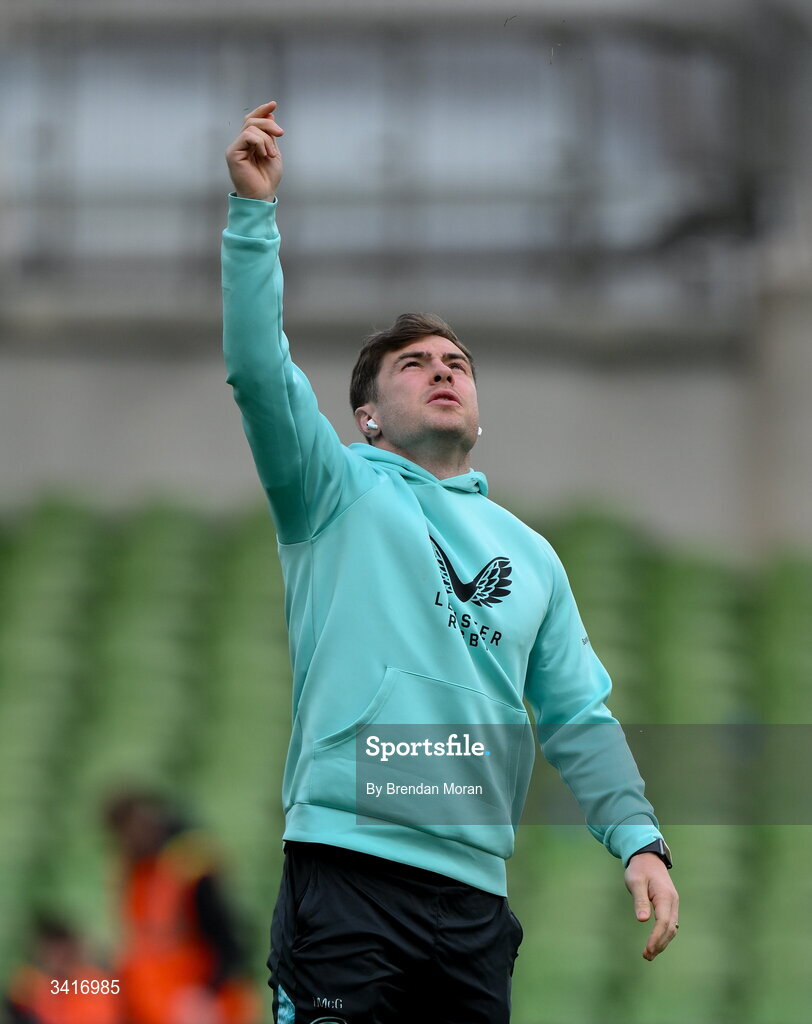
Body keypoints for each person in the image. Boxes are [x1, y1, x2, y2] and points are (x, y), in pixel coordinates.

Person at [222, 99, 680, 1024]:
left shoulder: (534, 557)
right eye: (415, 362)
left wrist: (640, 841)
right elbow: (259, 370)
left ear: (477, 406)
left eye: (458, 361)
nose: (443, 368)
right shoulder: (333, 490)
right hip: (348, 873)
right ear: (369, 417)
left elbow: (578, 715)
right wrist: (251, 217)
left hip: (473, 905)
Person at [103, 790, 261, 1024]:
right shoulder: (135, 874)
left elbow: (229, 937)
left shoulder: (189, 864)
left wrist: (206, 995)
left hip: (200, 1004)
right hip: (156, 1006)